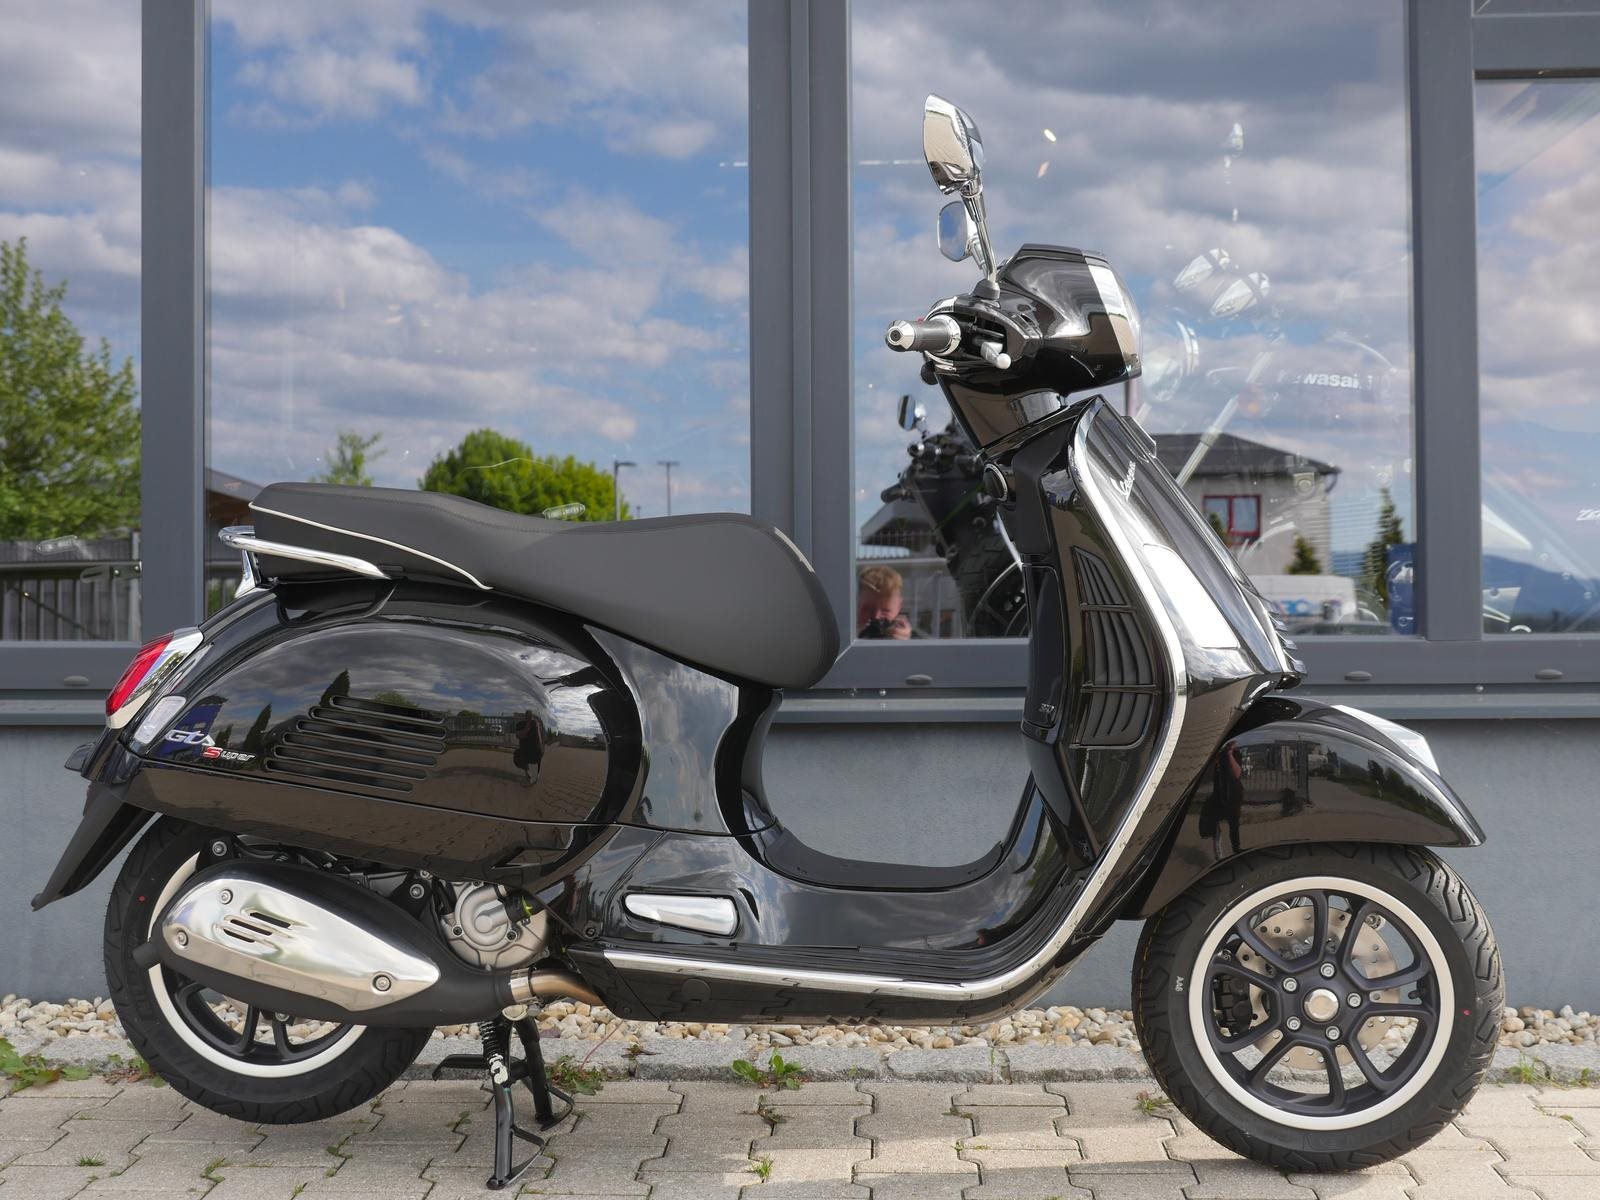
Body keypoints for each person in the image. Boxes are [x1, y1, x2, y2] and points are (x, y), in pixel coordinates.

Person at [856, 565, 912, 640]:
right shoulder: (846, 633)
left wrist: (905, 641)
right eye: (868, 609)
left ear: (899, 607)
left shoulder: (904, 635)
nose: (876, 616)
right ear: (855, 605)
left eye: (885, 611)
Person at [512, 709, 545, 785]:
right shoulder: (521, 724)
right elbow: (519, 736)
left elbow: (540, 743)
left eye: (530, 717)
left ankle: (535, 774)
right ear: (525, 716)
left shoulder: (536, 725)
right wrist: (527, 727)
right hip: (524, 751)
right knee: (517, 756)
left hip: (535, 751)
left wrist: (537, 728)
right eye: (527, 716)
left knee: (539, 753)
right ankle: (527, 770)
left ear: (532, 717)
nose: (529, 718)